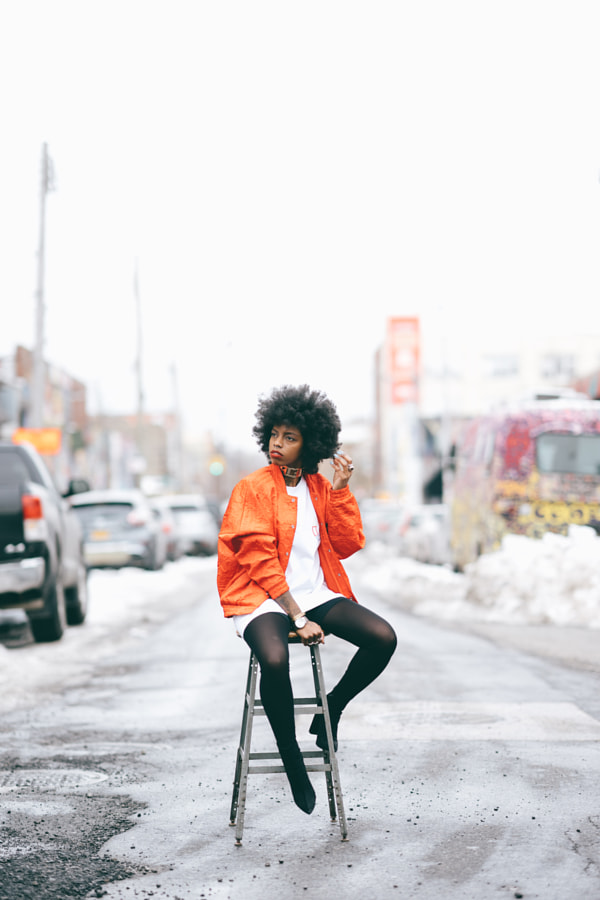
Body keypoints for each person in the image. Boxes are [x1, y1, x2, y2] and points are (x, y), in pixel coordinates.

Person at [217, 385, 397, 815]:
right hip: (260, 598)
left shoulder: (318, 487)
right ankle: (292, 757)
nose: (277, 445)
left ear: (311, 443)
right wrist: (295, 616)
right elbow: (258, 560)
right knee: (276, 660)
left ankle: (329, 711)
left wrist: (339, 489)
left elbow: (348, 542)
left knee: (382, 638)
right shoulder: (252, 488)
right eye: (274, 435)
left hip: (314, 593)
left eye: (290, 437)